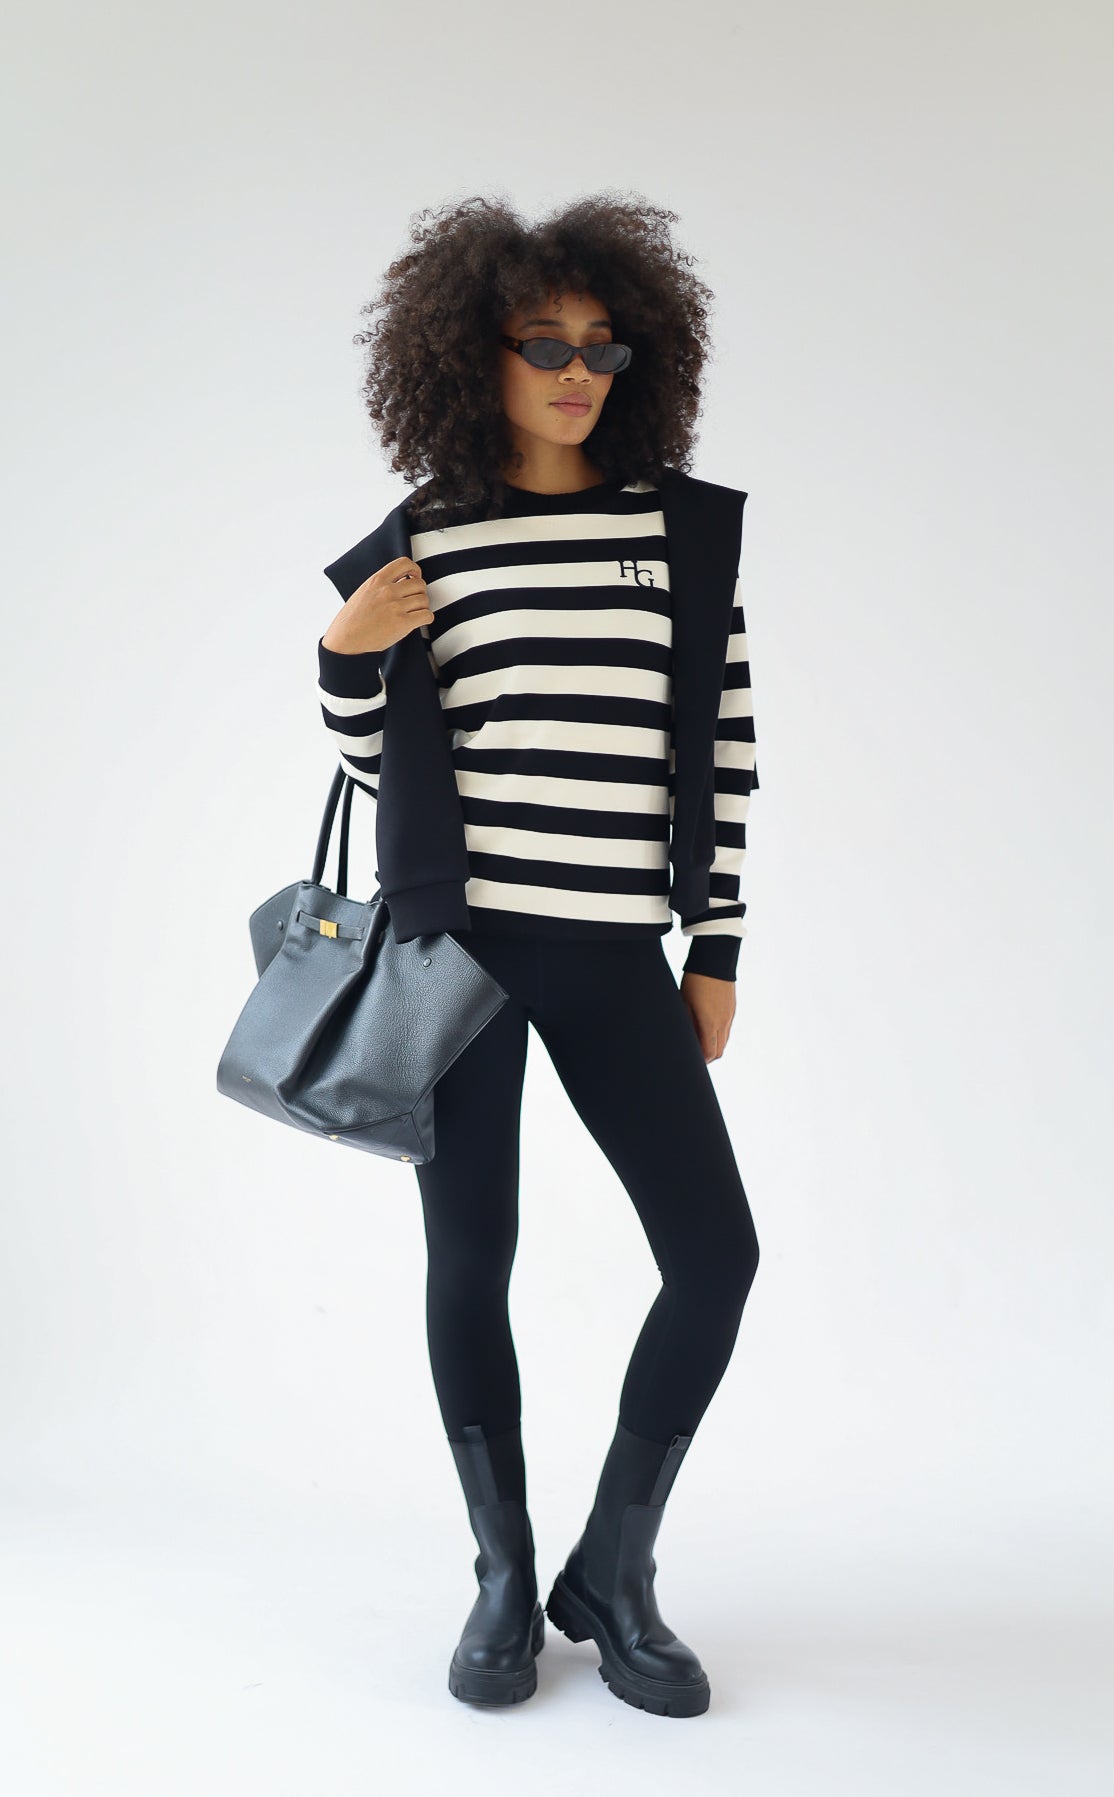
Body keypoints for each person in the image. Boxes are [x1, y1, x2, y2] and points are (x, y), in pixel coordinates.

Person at [315, 193, 761, 1718]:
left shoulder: (673, 532)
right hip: (463, 961)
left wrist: (717, 945)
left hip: (617, 951)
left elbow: (723, 751)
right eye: (543, 344)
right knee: (471, 1258)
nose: (579, 372)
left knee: (714, 1255)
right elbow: (378, 765)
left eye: (602, 346)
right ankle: (502, 1572)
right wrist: (343, 656)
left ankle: (611, 1570)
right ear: (472, 354)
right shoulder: (428, 535)